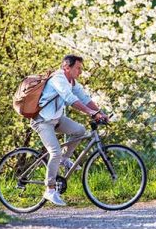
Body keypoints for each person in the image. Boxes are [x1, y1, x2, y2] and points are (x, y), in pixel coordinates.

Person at [31, 54, 108, 206]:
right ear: (67, 67)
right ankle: (50, 189)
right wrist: (90, 112)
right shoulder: (58, 79)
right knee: (55, 152)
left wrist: (99, 113)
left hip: (56, 119)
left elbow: (85, 98)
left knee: (80, 131)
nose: (80, 72)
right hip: (43, 121)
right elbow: (70, 99)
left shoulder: (72, 81)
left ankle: (64, 160)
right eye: (78, 68)